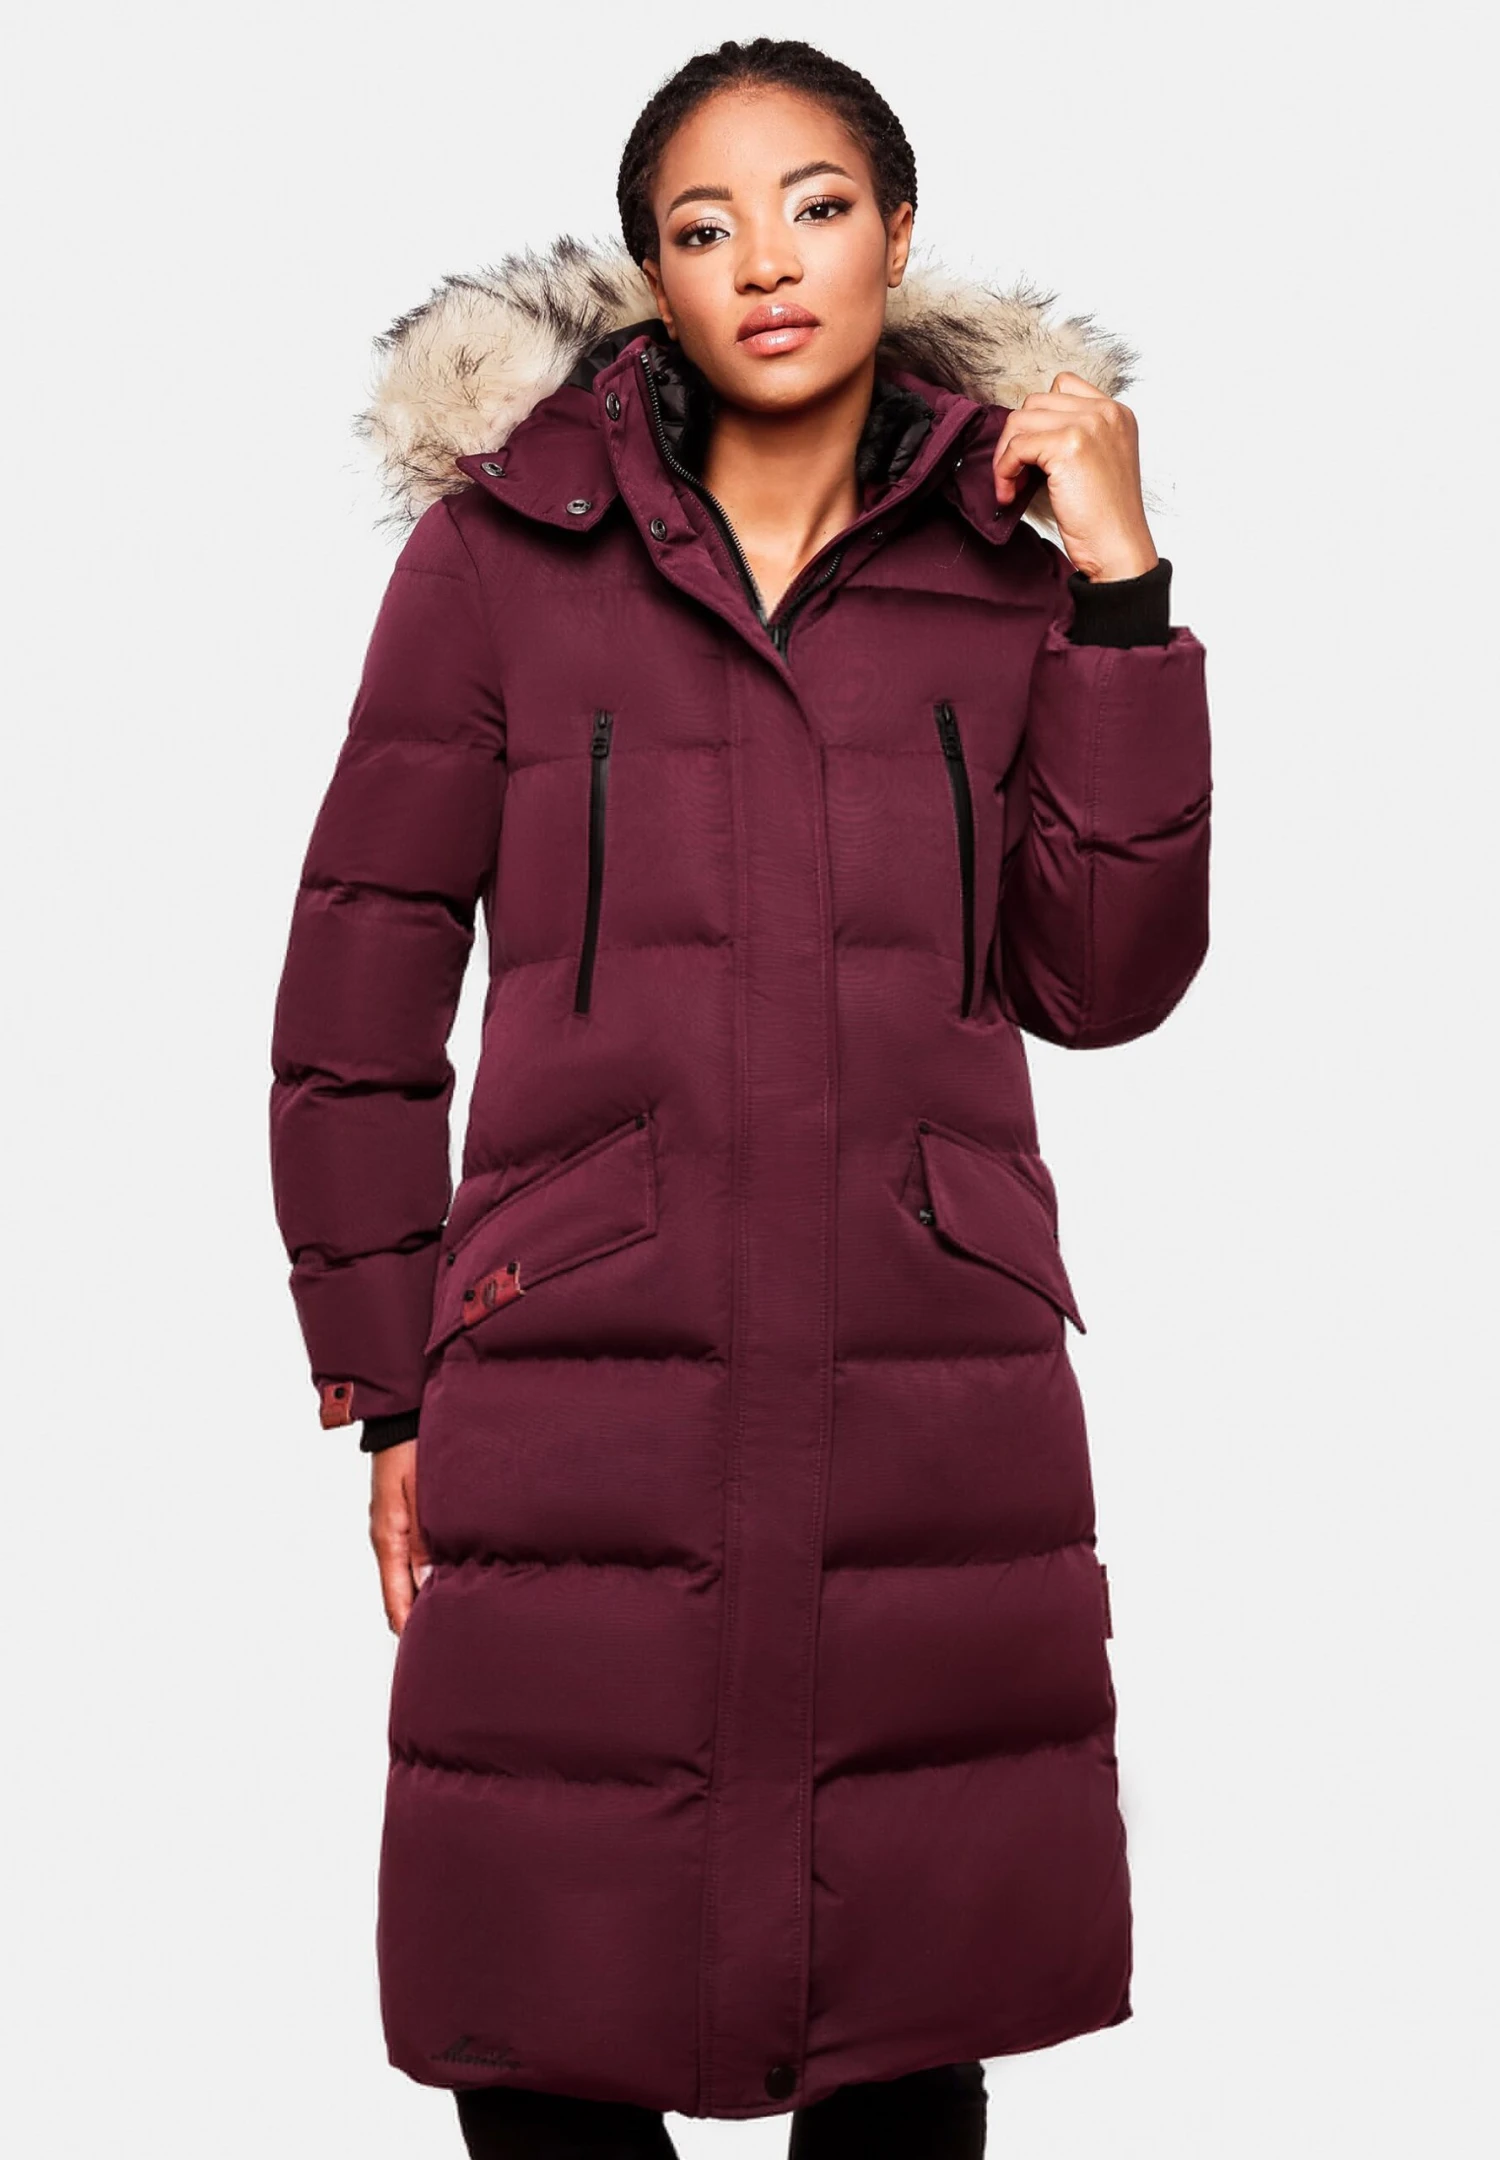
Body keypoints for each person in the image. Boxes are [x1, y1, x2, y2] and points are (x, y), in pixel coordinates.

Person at [269, 34, 1211, 2159]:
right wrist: (385, 1382)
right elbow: (358, 986)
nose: (765, 262)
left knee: (907, 1989)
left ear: (896, 232)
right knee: (548, 1992)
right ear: (655, 279)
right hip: (573, 1361)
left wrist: (1126, 599)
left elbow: (1107, 981)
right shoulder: (500, 558)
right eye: (704, 228)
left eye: (815, 207)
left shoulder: (1013, 556)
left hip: (927, 1362)